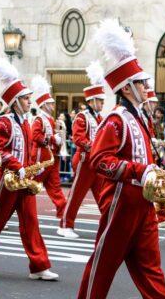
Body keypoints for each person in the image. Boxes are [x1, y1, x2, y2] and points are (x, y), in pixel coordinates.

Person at [77, 19, 165, 298]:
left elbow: (142, 158)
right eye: (142, 83)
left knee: (152, 272)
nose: (147, 86)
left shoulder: (141, 117)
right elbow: (99, 160)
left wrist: (157, 174)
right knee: (102, 269)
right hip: (121, 204)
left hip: (142, 205)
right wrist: (138, 170)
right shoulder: (116, 120)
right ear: (128, 87)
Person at [0, 56, 57, 280]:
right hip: (7, 179)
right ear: (16, 101)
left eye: (29, 98)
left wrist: (31, 169)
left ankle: (39, 265)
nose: (30, 102)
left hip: (23, 178)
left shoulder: (26, 122)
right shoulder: (4, 121)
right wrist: (16, 165)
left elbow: (28, 151)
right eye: (26, 99)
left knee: (31, 222)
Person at [58, 61, 105, 239]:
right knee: (76, 195)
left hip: (96, 162)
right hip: (84, 161)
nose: (102, 103)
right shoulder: (82, 116)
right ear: (91, 101)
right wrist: (95, 147)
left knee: (103, 196)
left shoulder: (100, 118)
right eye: (99, 100)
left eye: (102, 100)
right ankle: (65, 224)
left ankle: (110, 223)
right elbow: (78, 138)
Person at [30, 75, 67, 219]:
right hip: (40, 160)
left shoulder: (51, 120)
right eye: (51, 104)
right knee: (30, 187)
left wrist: (59, 140)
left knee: (56, 188)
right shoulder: (39, 119)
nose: (53, 106)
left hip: (52, 160)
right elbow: (36, 136)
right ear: (44, 105)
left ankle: (62, 214)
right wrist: (52, 138)